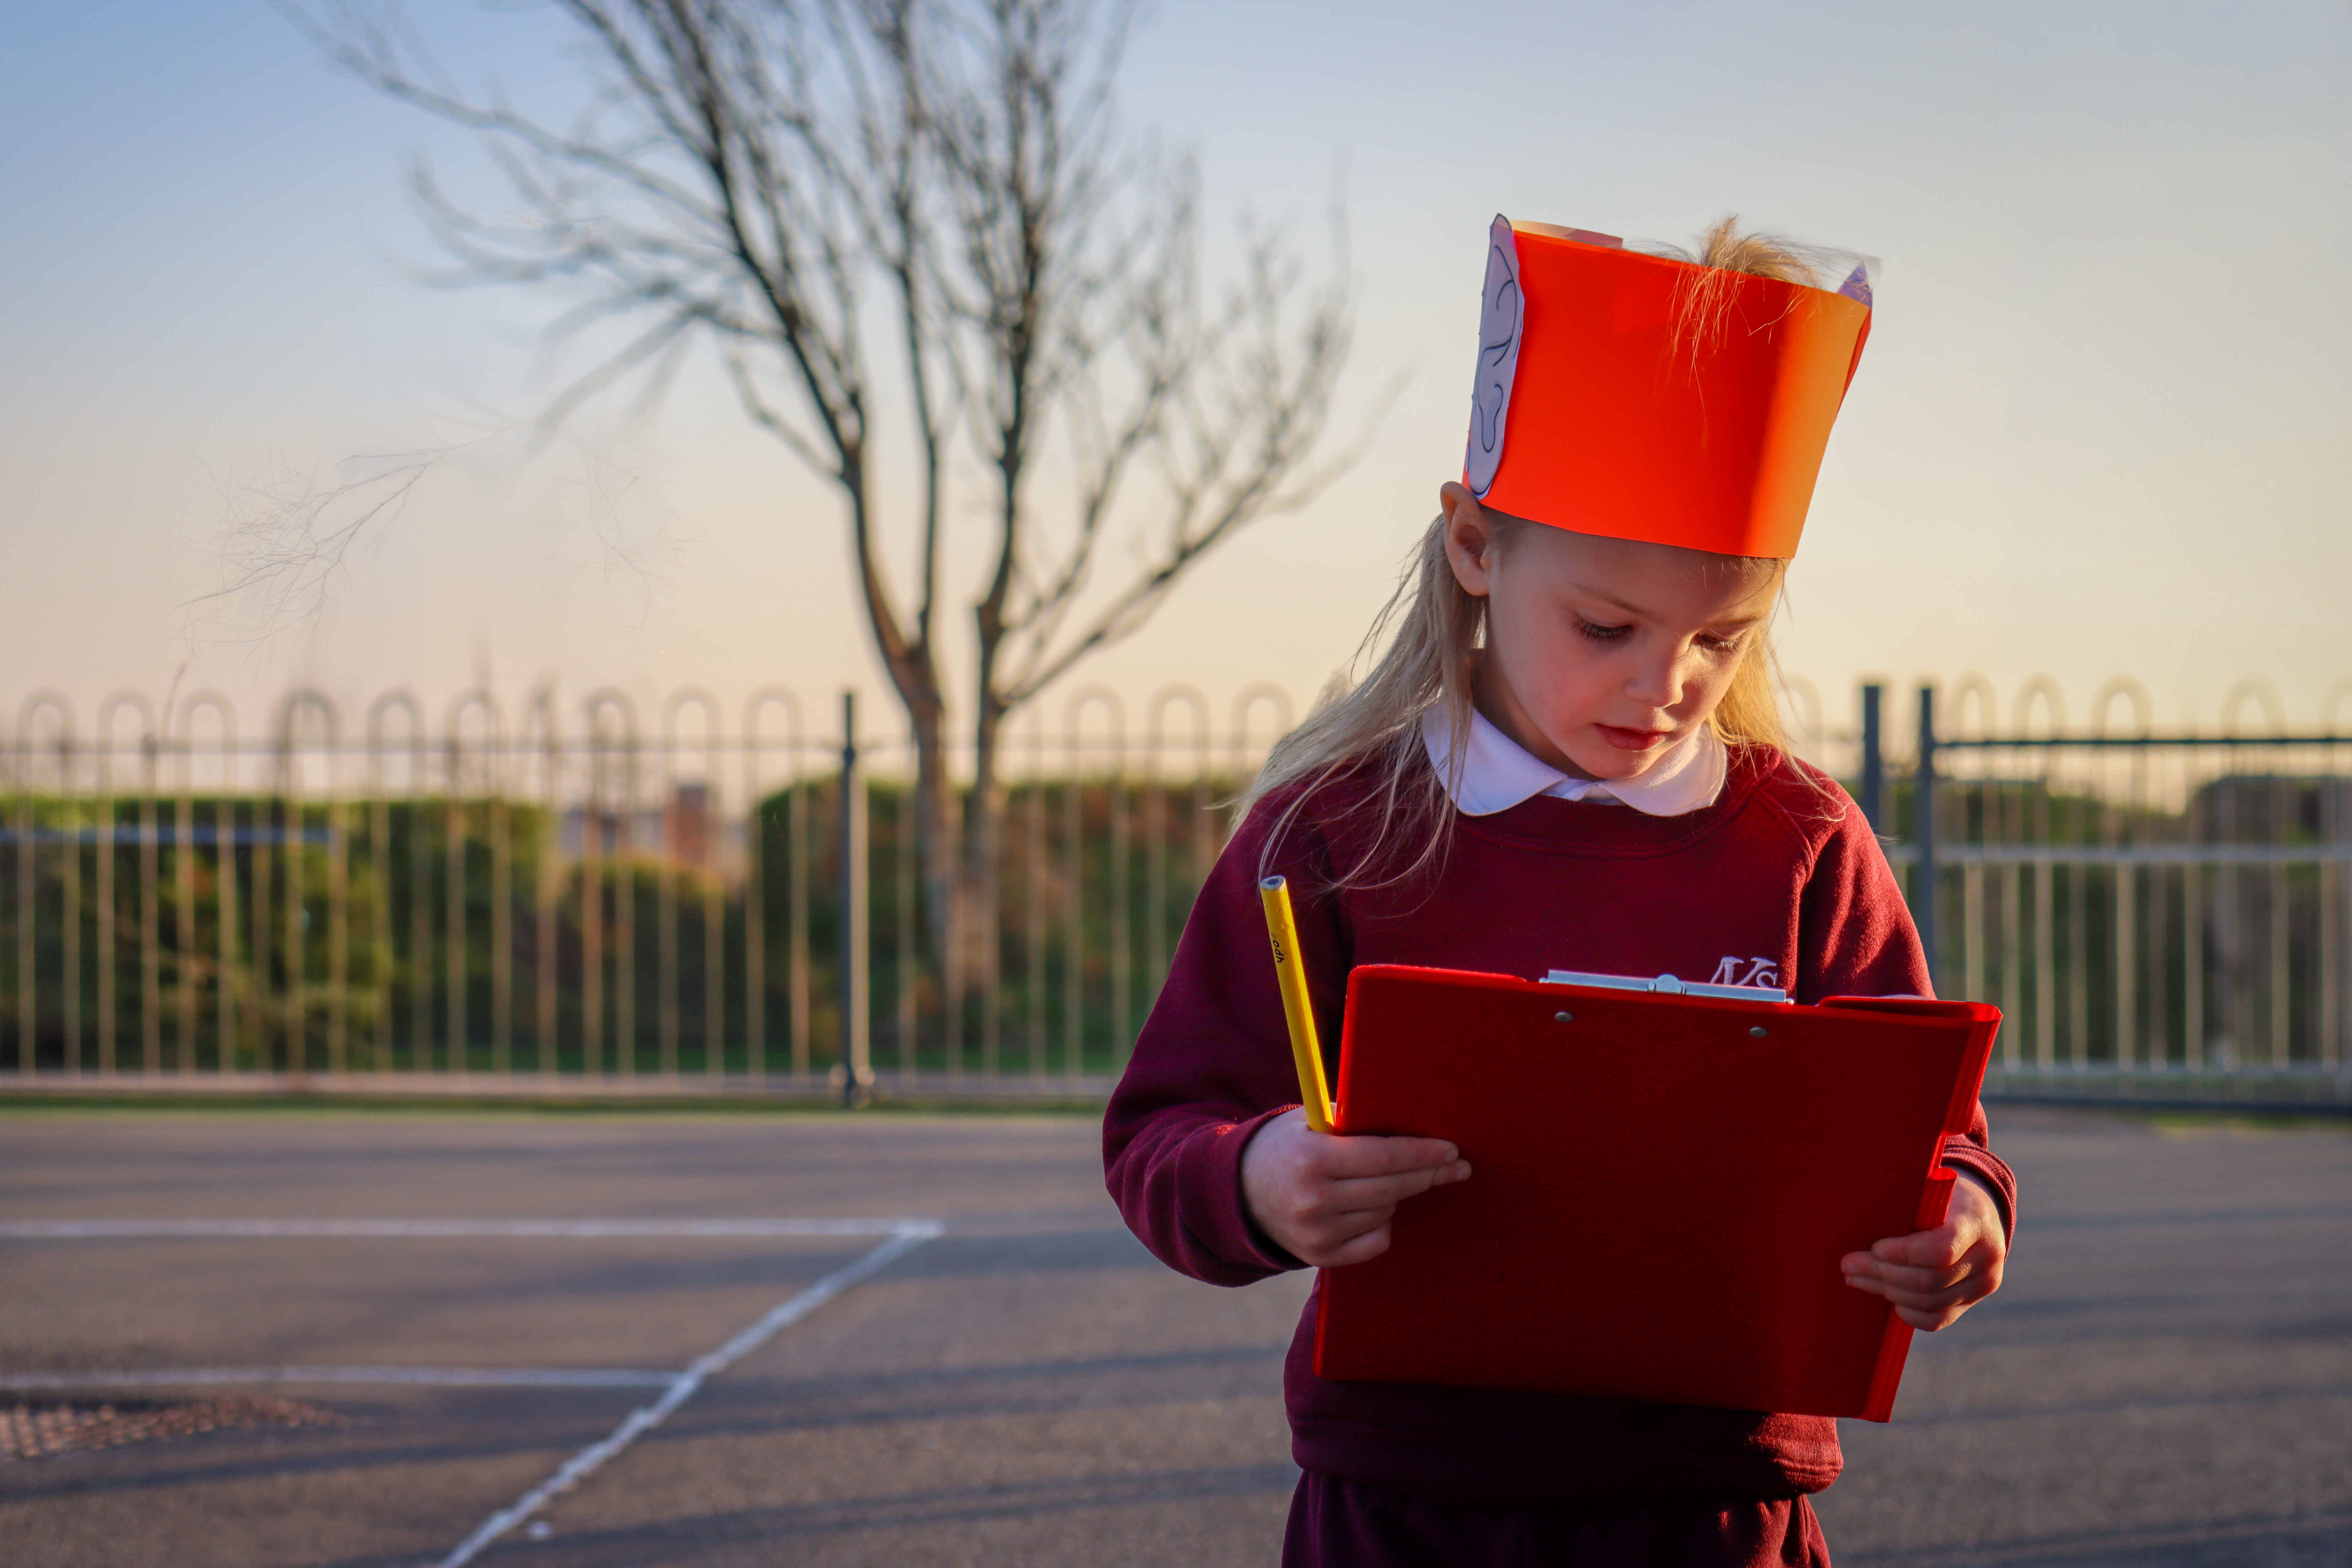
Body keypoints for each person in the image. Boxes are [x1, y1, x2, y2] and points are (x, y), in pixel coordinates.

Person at [1103, 214, 2016, 1566]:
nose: (1667, 684)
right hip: (1407, 1505)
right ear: (1475, 545)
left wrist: (1962, 1216)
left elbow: (1939, 1135)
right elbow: (1161, 1127)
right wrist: (1257, 1173)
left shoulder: (1809, 843)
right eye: (1608, 627)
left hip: (1720, 1509)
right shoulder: (1334, 829)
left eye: (1722, 636)